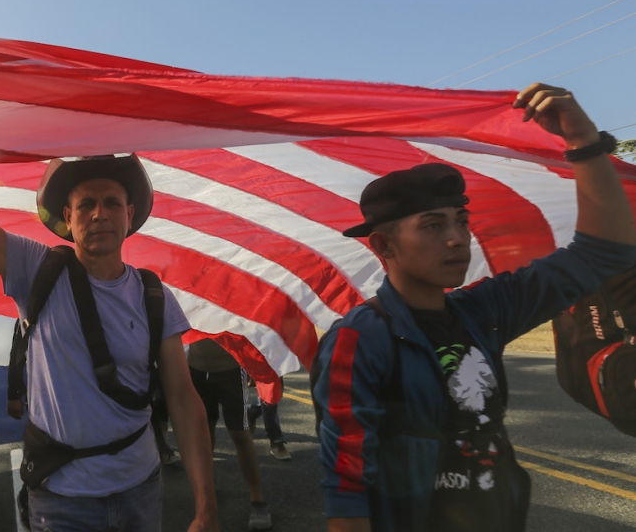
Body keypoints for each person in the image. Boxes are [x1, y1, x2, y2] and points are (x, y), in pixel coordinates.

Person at [312, 83, 636, 532]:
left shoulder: (484, 309)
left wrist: (582, 141)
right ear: (384, 244)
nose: (456, 238)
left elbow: (605, 254)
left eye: (461, 222)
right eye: (432, 225)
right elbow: (346, 491)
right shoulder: (360, 338)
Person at [0, 155, 219, 532]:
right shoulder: (36, 269)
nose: (99, 214)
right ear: (68, 215)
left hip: (141, 491)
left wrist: (207, 508)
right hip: (62, 499)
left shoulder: (153, 294)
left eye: (111, 203)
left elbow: (182, 398)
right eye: (86, 205)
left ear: (129, 215)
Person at [187, 337, 272, 530]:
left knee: (240, 435)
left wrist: (252, 362)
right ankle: (207, 490)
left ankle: (257, 502)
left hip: (231, 371)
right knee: (203, 432)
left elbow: (246, 321)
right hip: (195, 370)